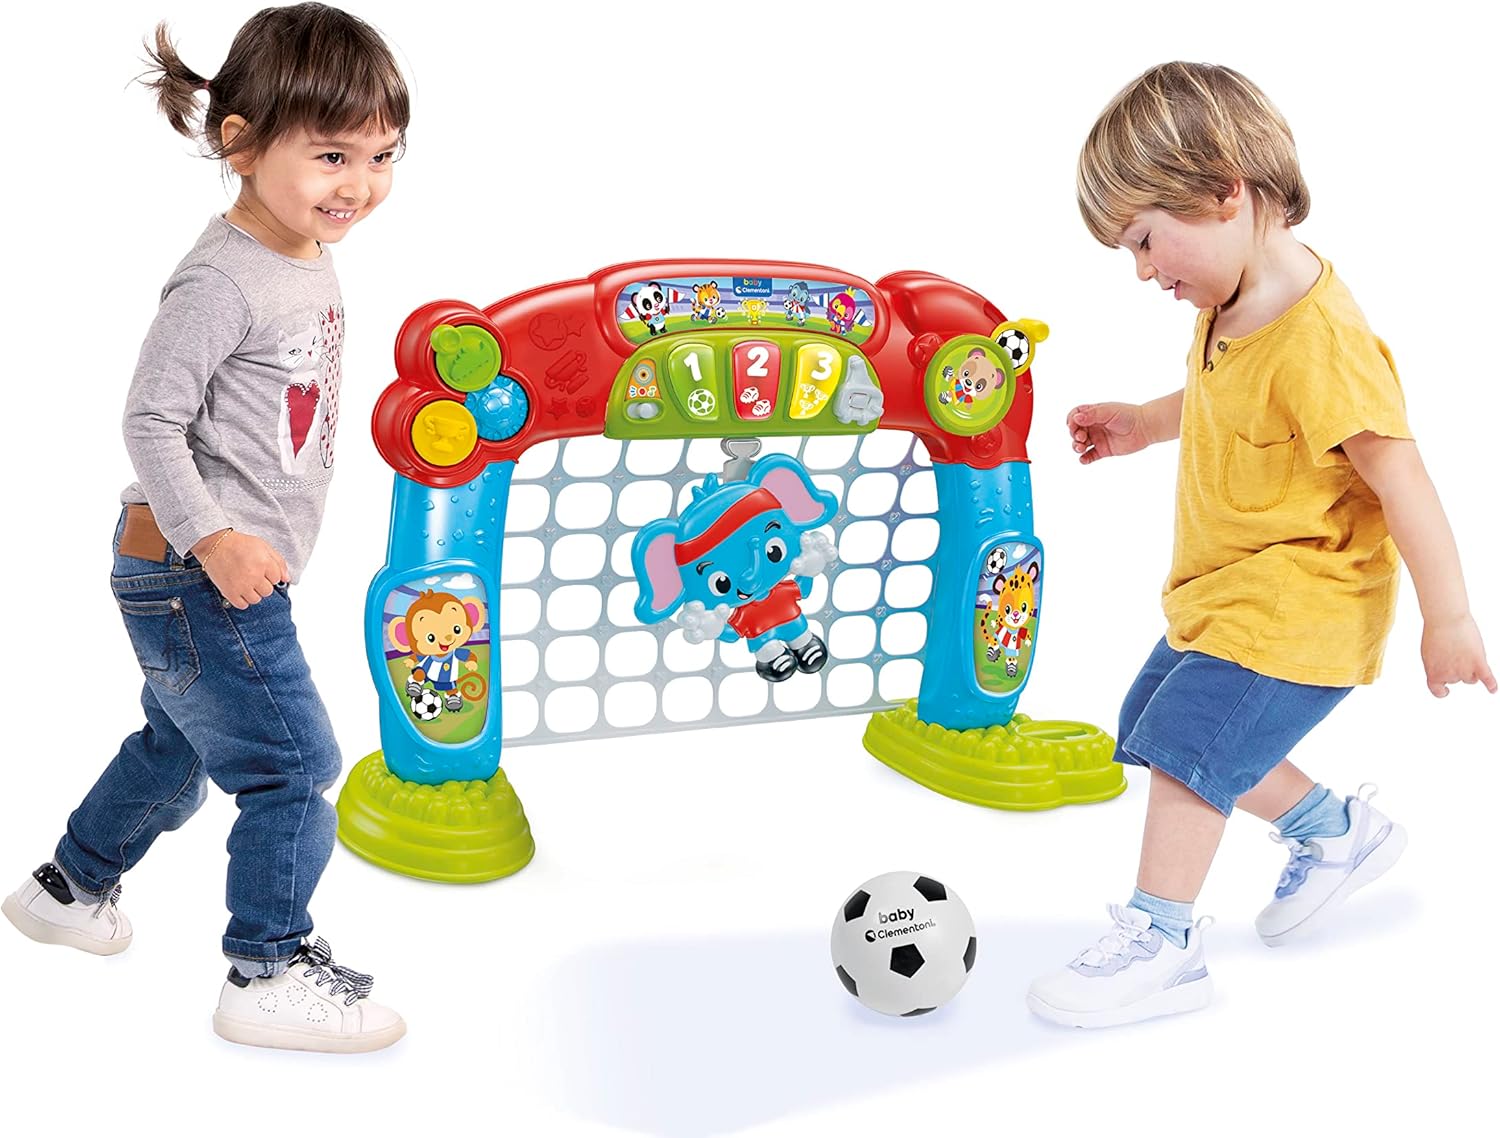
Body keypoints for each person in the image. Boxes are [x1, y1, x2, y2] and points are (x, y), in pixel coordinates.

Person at [1027, 61, 1496, 1029]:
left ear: (1224, 191)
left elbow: (1402, 476)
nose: (1144, 271)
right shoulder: (1231, 302)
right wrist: (1141, 424)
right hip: (1229, 589)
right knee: (1151, 721)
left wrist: (1449, 616)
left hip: (1301, 599)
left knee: (1186, 747)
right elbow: (1223, 398)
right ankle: (1337, 832)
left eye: (1146, 240)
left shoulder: (1320, 340)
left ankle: (1163, 942)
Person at [2, 3, 411, 1053]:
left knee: (178, 747)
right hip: (196, 570)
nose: (358, 185)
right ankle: (265, 969)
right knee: (294, 766)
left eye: (380, 156)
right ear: (240, 143)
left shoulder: (300, 247)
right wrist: (215, 538)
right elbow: (150, 416)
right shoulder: (222, 277)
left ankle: (66, 889)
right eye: (331, 155)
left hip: (206, 571)